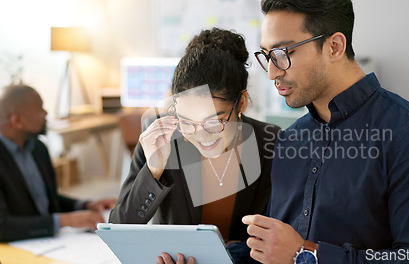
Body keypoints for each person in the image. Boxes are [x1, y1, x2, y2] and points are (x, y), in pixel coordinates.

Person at [241, 0, 409, 264]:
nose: (272, 71)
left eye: (284, 52)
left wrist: (307, 254)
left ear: (334, 47)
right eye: (266, 55)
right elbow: (275, 248)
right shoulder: (290, 140)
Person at [108, 28, 281, 263]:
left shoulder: (270, 143)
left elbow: (276, 240)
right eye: (187, 121)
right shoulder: (161, 136)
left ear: (241, 103)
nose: (201, 135)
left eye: (214, 121)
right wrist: (154, 171)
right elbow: (120, 229)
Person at [0, 84, 116, 242]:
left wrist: (84, 205)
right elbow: (2, 226)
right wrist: (66, 220)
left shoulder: (37, 148)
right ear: (17, 120)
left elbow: (48, 200)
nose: (46, 114)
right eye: (40, 110)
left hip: (48, 242)